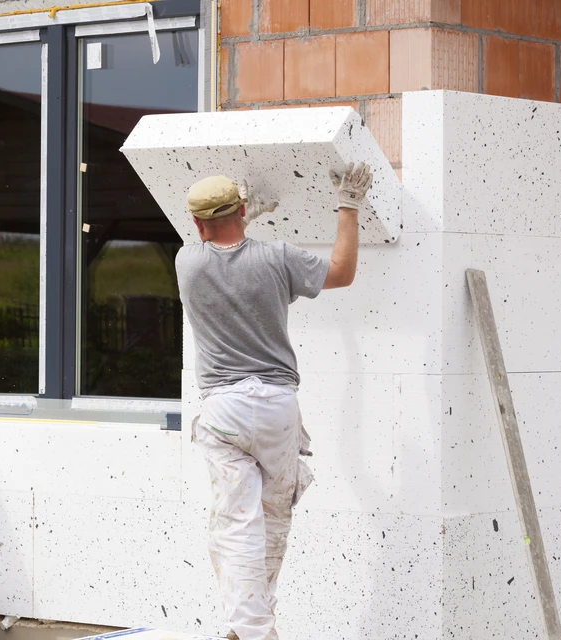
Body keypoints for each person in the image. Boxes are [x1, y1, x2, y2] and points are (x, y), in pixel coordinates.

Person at [175, 163, 374, 640]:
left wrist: (243, 218)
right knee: (271, 519)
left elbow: (220, 243)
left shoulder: (188, 262)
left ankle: (250, 629)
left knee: (235, 523)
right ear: (243, 212)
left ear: (198, 226)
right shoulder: (279, 258)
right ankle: (250, 627)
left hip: (224, 412)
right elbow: (341, 273)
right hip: (277, 409)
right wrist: (348, 203)